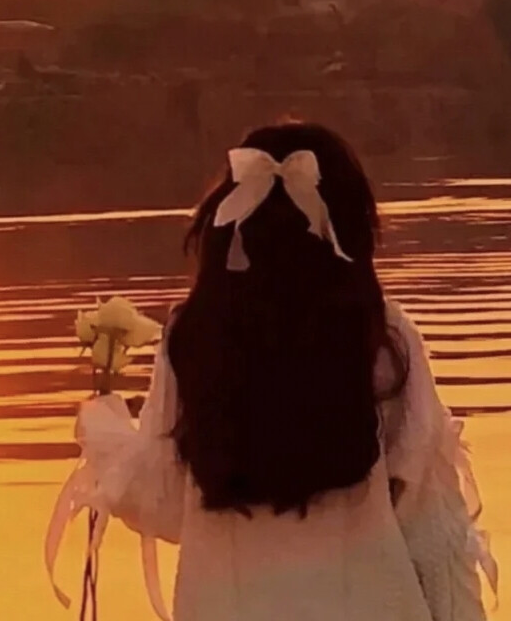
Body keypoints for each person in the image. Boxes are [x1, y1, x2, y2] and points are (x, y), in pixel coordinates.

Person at [48, 122, 497, 621]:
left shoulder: (195, 335)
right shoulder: (380, 334)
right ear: (348, 227)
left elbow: (164, 501)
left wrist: (104, 432)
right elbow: (434, 530)